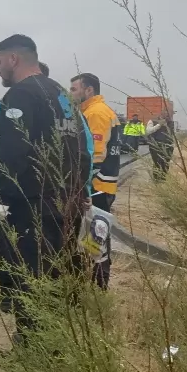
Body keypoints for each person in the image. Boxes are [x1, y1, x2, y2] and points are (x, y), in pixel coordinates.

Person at [0, 35, 92, 365]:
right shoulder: (60, 93)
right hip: (64, 201)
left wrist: (1, 198)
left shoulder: (22, 94)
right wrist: (79, 192)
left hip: (32, 203)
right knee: (55, 274)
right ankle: (55, 347)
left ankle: (30, 356)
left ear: (14, 59)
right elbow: (80, 148)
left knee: (29, 275)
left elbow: (13, 151)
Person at [69, 73, 121, 289]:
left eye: (74, 89)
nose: (70, 93)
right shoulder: (93, 111)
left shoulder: (96, 113)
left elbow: (95, 156)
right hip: (100, 186)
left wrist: (82, 186)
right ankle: (91, 284)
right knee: (91, 239)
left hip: (97, 187)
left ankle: (99, 287)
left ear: (88, 90)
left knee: (95, 240)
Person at [146, 110, 175, 182]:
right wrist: (159, 125)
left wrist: (172, 144)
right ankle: (156, 179)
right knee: (157, 162)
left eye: (168, 115)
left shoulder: (170, 123)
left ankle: (163, 179)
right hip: (155, 146)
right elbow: (148, 131)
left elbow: (171, 135)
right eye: (166, 114)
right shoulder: (152, 121)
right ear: (161, 114)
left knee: (165, 163)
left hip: (167, 146)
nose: (167, 116)